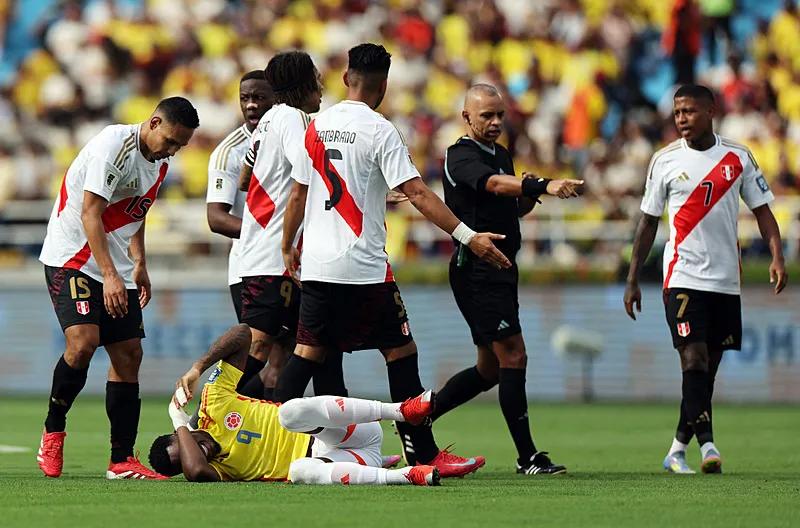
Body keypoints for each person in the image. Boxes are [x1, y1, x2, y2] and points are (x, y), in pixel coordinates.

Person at [273, 43, 510, 479]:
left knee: (308, 355)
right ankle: (424, 453)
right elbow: (419, 193)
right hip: (363, 269)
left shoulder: (317, 125)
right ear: (384, 84)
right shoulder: (381, 130)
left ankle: (254, 439)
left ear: (346, 79)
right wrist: (467, 236)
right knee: (401, 352)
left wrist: (289, 245)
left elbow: (302, 191)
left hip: (318, 265)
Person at [623, 84, 788, 474]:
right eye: (677, 112)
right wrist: (633, 279)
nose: (682, 119)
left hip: (726, 280)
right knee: (692, 358)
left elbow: (763, 212)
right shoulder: (663, 161)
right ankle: (709, 446)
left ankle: (676, 449)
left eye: (690, 112)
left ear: (711, 111)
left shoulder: (738, 157)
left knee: (705, 372)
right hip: (682, 274)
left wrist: (777, 255)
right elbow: (647, 223)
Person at [37, 97, 200, 479]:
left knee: (129, 354)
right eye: (172, 141)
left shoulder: (159, 162)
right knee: (83, 343)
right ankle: (53, 429)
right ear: (154, 122)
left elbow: (136, 212)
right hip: (72, 256)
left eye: (181, 147)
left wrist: (138, 261)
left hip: (116, 264)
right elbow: (90, 212)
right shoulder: (114, 146)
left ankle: (121, 459)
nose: (173, 152)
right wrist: (110, 274)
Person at [422, 84, 580, 475]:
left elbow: (506, 207)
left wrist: (526, 197)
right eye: (486, 116)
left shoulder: (501, 154)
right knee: (514, 355)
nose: (494, 123)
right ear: (466, 117)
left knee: (490, 369)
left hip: (501, 268)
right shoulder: (459, 155)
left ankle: (417, 417)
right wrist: (542, 185)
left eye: (499, 116)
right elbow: (492, 185)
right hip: (477, 269)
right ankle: (528, 457)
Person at [148, 324, 439, 486]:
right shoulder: (215, 470)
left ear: (181, 435)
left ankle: (401, 411)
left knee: (289, 412)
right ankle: (404, 476)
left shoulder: (214, 401)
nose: (201, 452)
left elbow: (242, 334)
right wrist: (178, 421)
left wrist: (197, 369)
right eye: (189, 456)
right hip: (348, 463)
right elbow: (196, 471)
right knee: (300, 471)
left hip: (347, 432)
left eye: (189, 446)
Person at [235, 51, 346, 401]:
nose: (322, 84)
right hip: (277, 258)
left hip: (270, 253)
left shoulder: (268, 121)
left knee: (322, 350)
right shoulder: (294, 119)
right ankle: (192, 433)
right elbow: (307, 179)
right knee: (253, 355)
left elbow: (244, 177)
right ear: (301, 84)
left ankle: (335, 444)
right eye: (316, 77)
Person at [204, 70, 276, 399]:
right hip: (252, 266)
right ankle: (204, 418)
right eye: (245, 98)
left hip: (293, 262)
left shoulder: (294, 136)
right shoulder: (229, 151)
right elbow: (217, 218)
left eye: (259, 97)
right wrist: (271, 231)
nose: (250, 105)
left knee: (296, 357)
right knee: (259, 354)